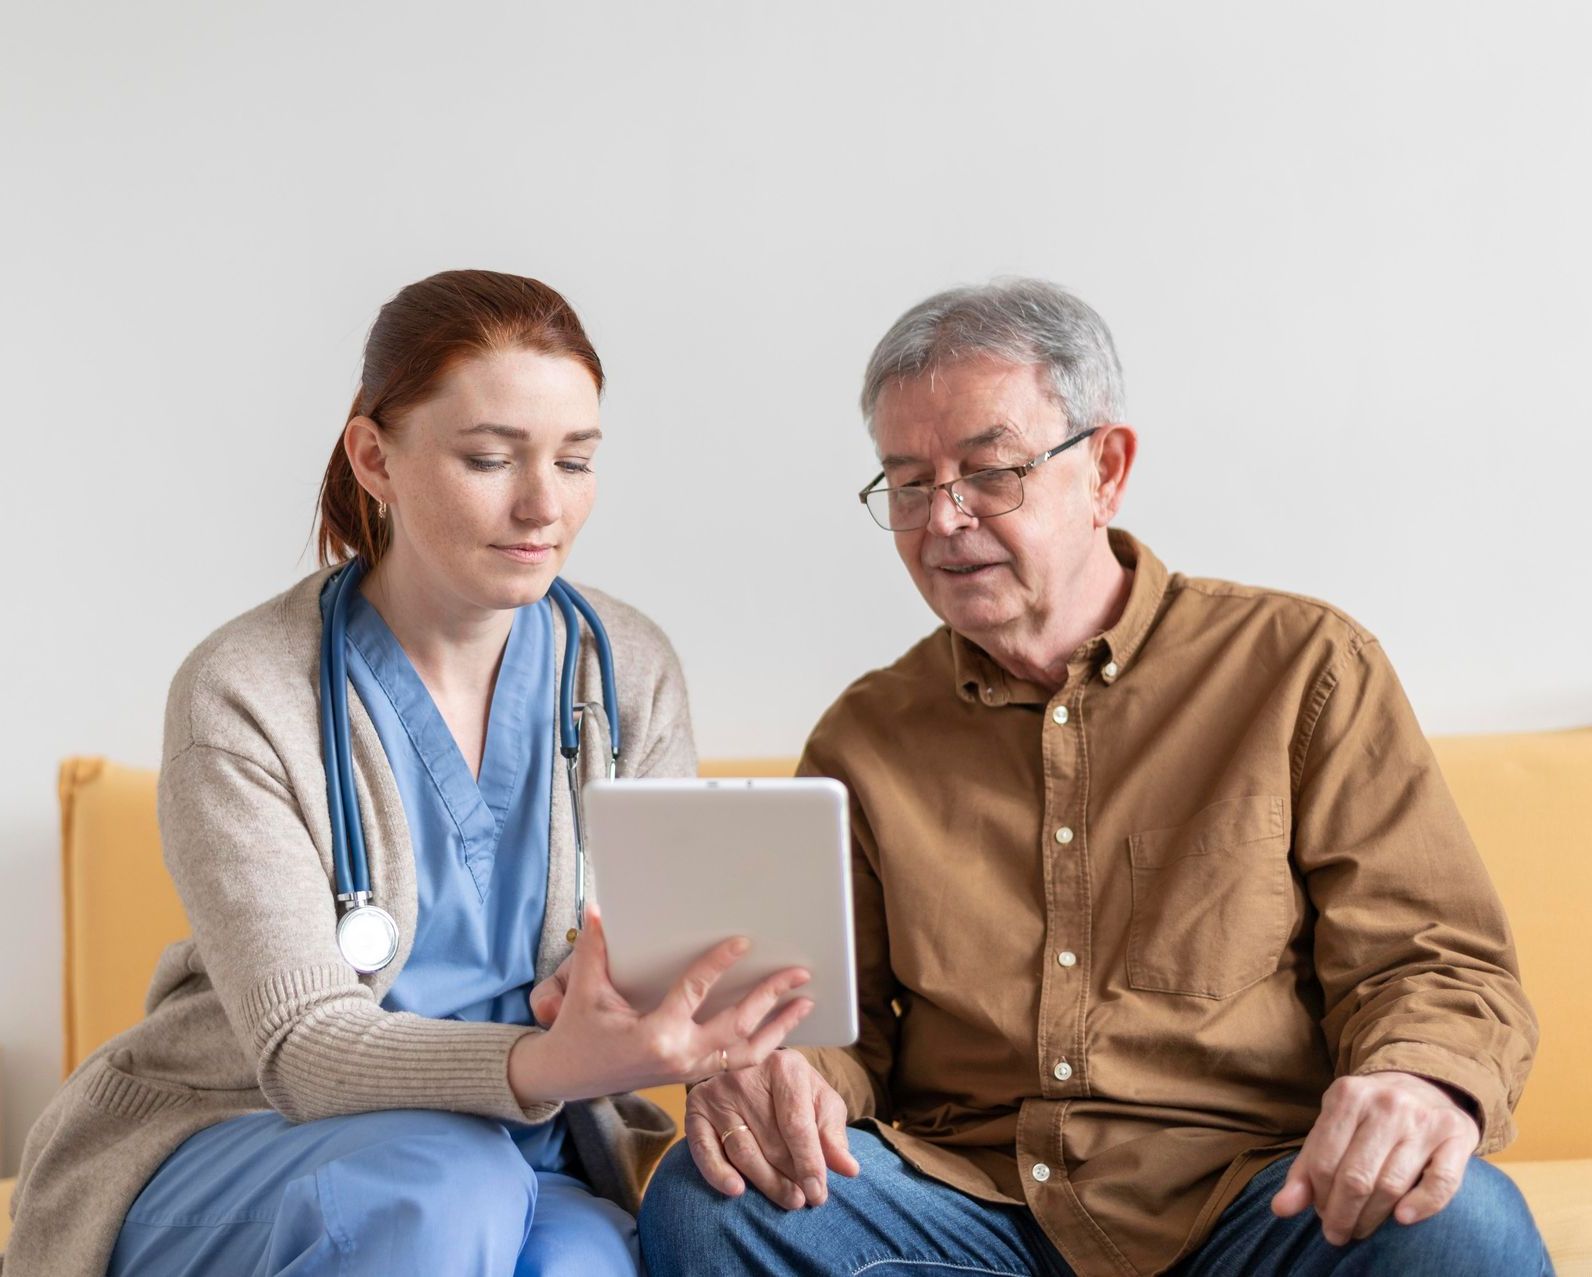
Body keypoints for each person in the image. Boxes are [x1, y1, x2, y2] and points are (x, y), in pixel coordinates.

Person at [638, 279, 1551, 1275]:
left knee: (1462, 1219)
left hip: (1258, 1198)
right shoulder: (865, 734)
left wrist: (1417, 1079)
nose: (941, 520)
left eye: (989, 471)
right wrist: (781, 1072)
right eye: (906, 483)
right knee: (710, 1201)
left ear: (1105, 467)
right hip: (973, 1213)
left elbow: (1431, 960)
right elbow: (829, 1029)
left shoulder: (1301, 666)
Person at [3, 269, 812, 1277]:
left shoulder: (622, 667)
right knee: (443, 1186)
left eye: (575, 460)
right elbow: (299, 1044)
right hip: (239, 1135)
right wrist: (549, 1061)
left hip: (530, 1148)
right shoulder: (244, 690)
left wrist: (711, 1037)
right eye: (488, 457)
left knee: (577, 1262)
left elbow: (658, 961)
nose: (542, 505)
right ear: (374, 457)